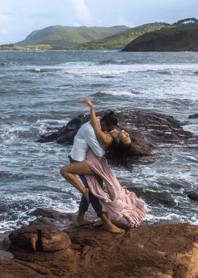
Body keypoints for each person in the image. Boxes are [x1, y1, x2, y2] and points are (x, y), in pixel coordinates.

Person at [60, 99, 148, 233]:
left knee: (93, 191)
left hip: (86, 161)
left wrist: (92, 110)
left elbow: (99, 152)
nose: (124, 132)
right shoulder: (106, 131)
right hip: (83, 160)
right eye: (126, 135)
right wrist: (94, 112)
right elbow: (97, 123)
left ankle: (89, 220)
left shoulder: (106, 135)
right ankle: (101, 221)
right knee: (94, 191)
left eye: (125, 137)